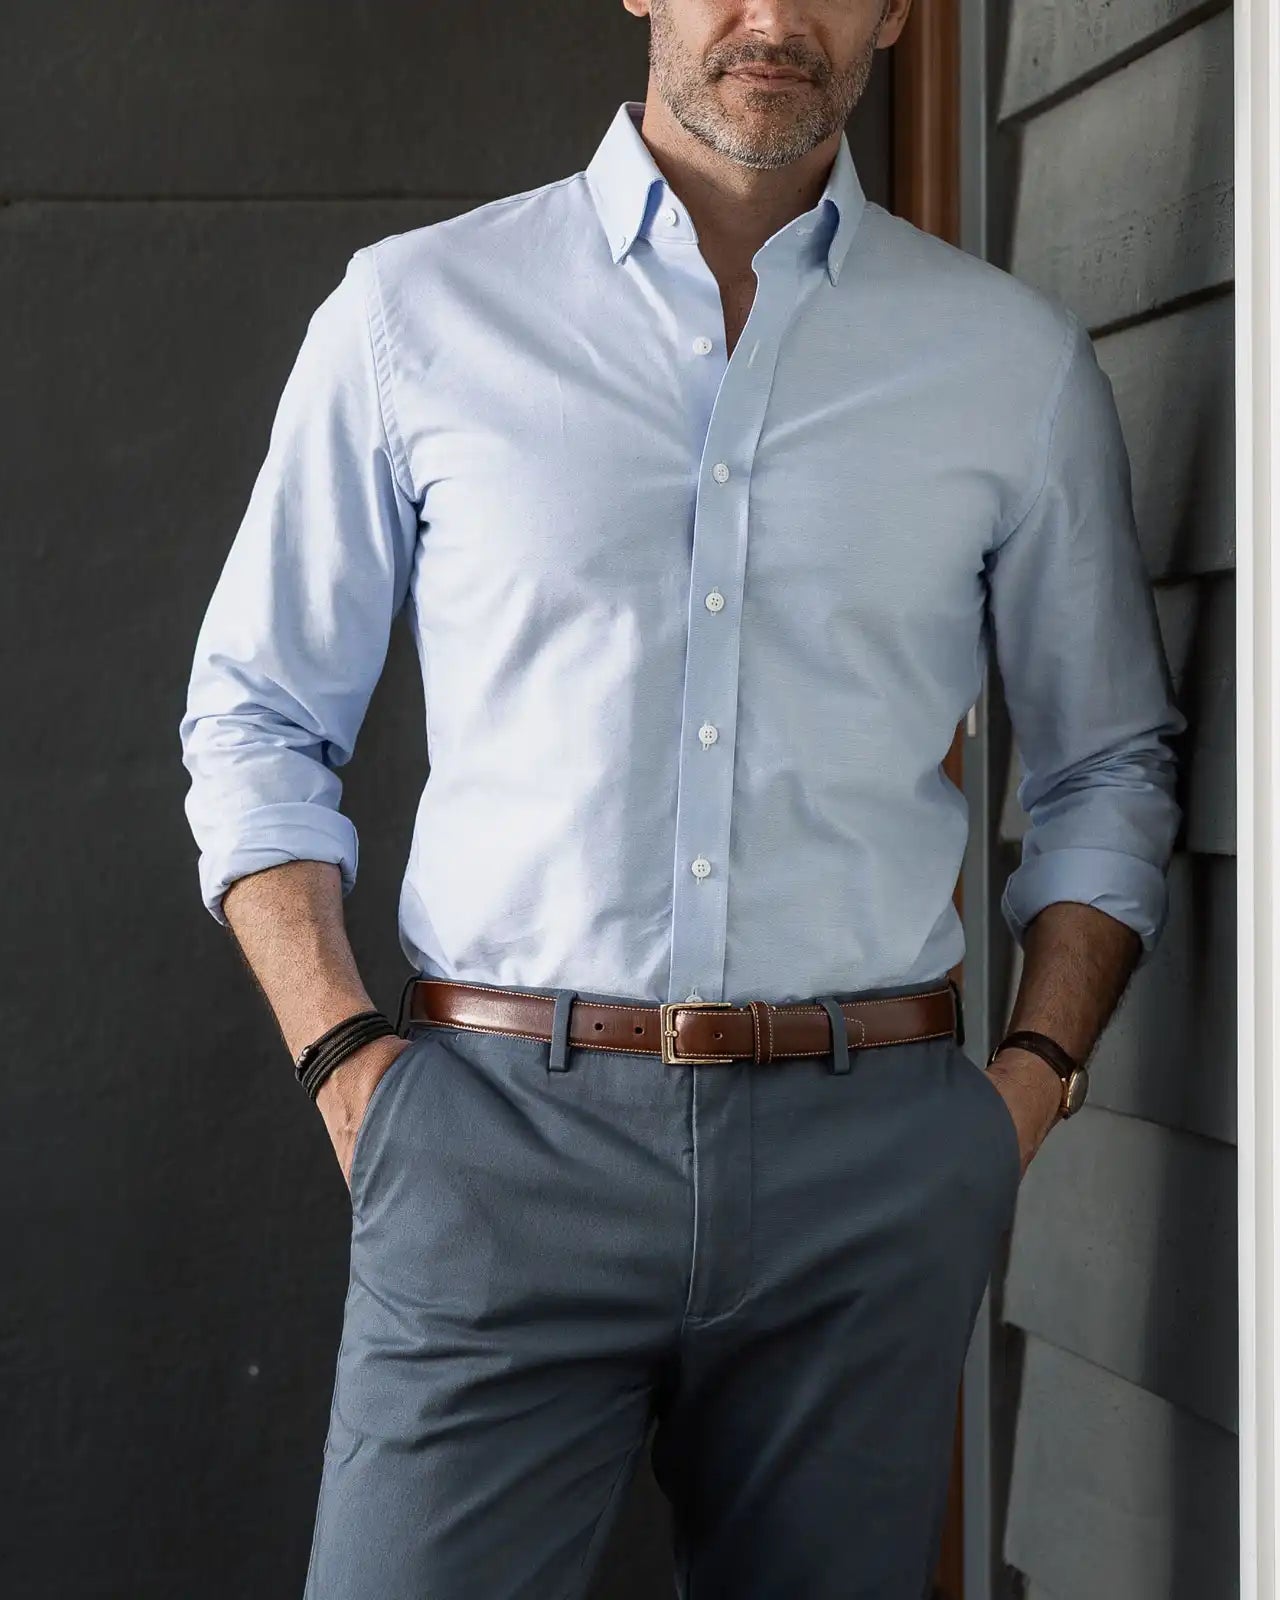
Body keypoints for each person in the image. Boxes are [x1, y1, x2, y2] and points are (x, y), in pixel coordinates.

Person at [177, 0, 1185, 1594]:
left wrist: (1031, 1083)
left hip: (872, 1170)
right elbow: (253, 719)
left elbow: (1108, 763)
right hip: (494, 1147)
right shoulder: (414, 313)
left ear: (902, 12)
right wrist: (348, 1066)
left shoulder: (1012, 365)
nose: (773, 17)